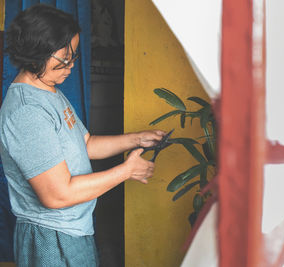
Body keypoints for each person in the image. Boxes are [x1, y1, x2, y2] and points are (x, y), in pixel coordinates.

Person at [0, 4, 164, 266]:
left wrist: (136, 139)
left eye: (74, 56)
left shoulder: (48, 90)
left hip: (72, 228)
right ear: (35, 53)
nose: (71, 65)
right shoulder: (27, 111)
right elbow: (57, 195)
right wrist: (126, 171)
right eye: (64, 58)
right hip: (51, 236)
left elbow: (84, 144)